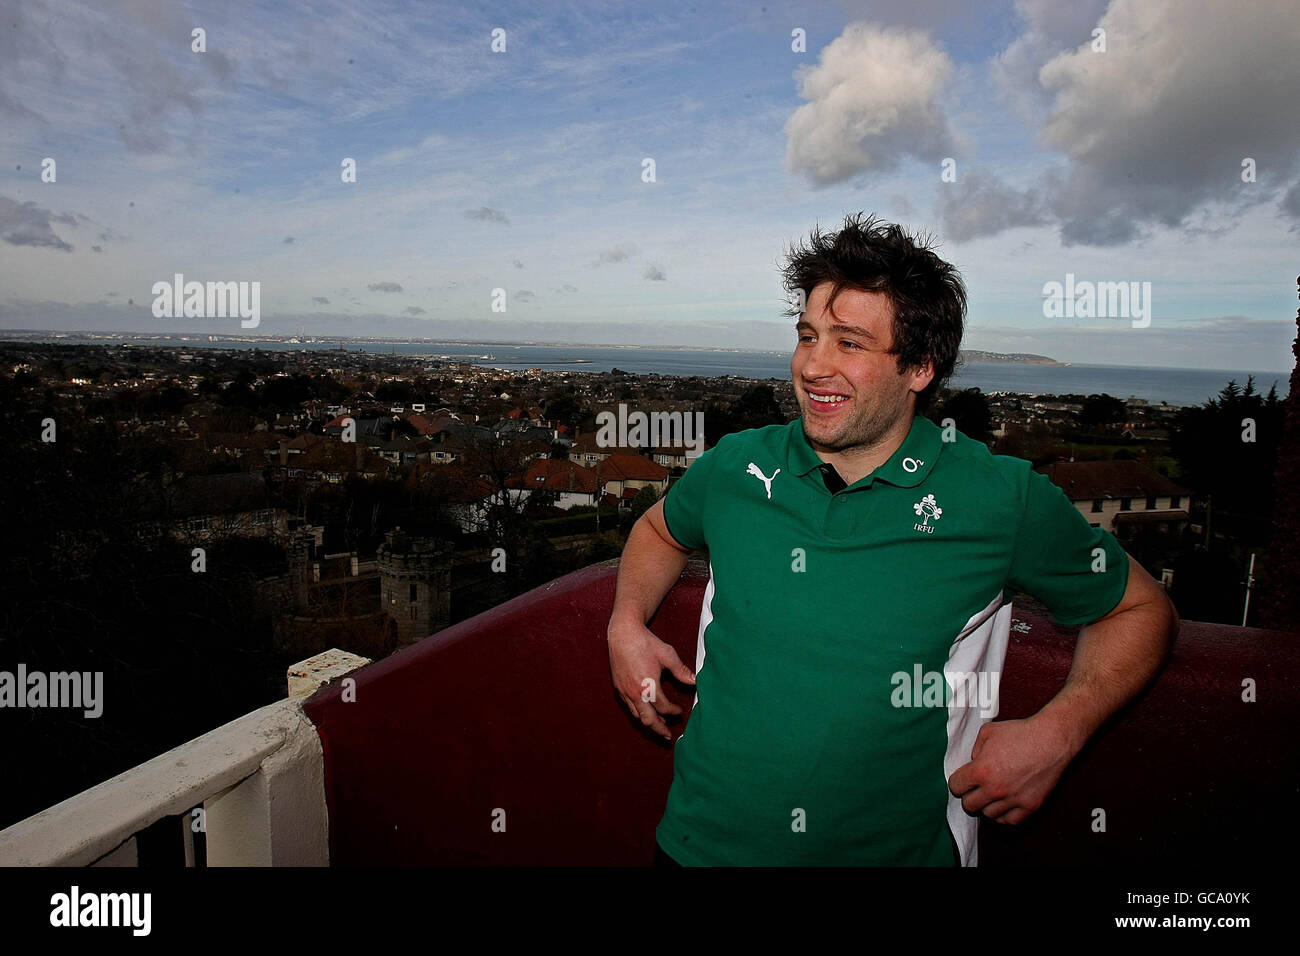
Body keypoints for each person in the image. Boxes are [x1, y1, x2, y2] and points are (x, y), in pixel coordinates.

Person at [605, 213, 1180, 866]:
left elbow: (1140, 608)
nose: (814, 366)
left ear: (920, 367)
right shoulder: (735, 467)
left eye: (849, 343)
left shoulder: (1000, 498)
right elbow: (658, 529)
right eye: (807, 335)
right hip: (696, 849)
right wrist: (626, 622)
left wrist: (1058, 732)